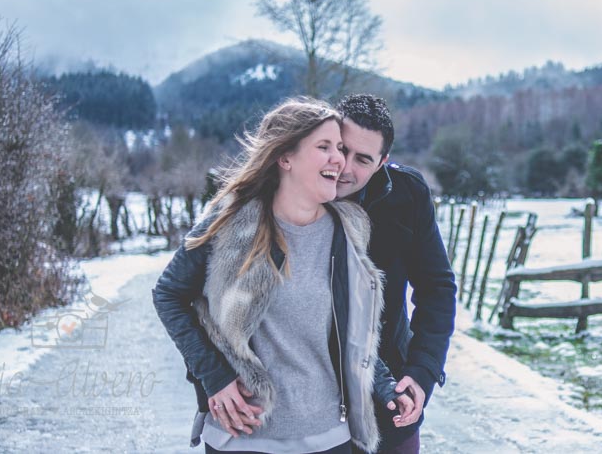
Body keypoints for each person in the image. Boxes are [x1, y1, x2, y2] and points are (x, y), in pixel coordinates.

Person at [152, 98, 418, 454]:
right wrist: (214, 378)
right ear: (285, 157)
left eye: (339, 148)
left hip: (328, 439)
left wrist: (387, 388)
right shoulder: (232, 221)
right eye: (324, 147)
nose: (338, 159)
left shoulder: (346, 230)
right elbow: (168, 295)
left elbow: (352, 332)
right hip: (242, 436)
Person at [335, 95, 457, 454]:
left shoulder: (407, 194)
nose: (344, 168)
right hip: (312, 398)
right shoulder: (294, 193)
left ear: (382, 162)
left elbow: (437, 287)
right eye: (342, 149)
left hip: (388, 388)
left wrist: (421, 372)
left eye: (363, 159)